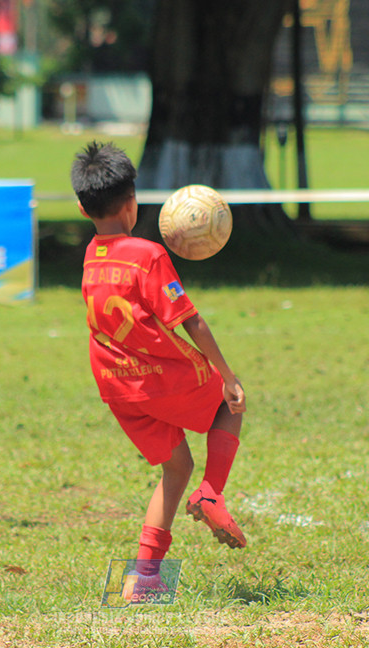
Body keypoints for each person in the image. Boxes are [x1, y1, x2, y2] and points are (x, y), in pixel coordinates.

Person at [71, 142, 247, 597]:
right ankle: (212, 492)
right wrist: (227, 376)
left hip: (115, 384)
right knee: (231, 406)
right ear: (132, 201)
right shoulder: (146, 254)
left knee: (175, 466)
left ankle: (144, 581)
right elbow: (190, 320)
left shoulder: (93, 254)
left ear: (80, 205)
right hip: (161, 377)